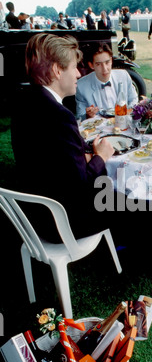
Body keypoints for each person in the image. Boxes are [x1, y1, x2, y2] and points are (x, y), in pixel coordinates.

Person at [11, 33, 117, 242]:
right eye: (73, 67)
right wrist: (101, 157)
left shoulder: (26, 101)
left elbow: (52, 159)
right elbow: (83, 184)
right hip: (62, 221)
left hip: (34, 211)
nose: (79, 73)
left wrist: (83, 156)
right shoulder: (60, 117)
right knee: (130, 197)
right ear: (57, 70)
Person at [75, 43, 138, 120]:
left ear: (111, 60)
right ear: (91, 65)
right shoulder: (81, 86)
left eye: (107, 62)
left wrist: (127, 112)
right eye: (98, 64)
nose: (105, 69)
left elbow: (134, 100)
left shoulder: (124, 76)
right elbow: (80, 117)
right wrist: (88, 115)